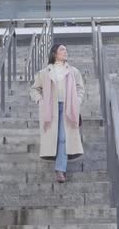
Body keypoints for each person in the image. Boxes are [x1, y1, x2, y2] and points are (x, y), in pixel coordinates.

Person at [30, 44, 85, 183]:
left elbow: (80, 88)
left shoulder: (73, 71)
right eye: (62, 50)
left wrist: (77, 101)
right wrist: (41, 101)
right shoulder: (44, 72)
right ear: (54, 53)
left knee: (63, 138)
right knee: (58, 137)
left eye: (66, 50)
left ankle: (60, 170)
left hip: (68, 108)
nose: (65, 52)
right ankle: (60, 167)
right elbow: (34, 89)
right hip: (51, 109)